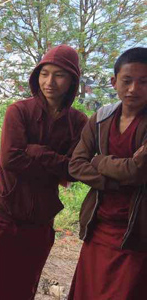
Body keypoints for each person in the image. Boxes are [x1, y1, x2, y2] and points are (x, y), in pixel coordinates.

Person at [0, 45, 88, 300]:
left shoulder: (78, 123)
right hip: (3, 212)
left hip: (39, 221)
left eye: (59, 75)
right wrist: (55, 164)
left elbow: (74, 170)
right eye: (44, 73)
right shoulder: (19, 111)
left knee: (21, 286)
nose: (50, 82)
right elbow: (11, 159)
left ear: (72, 79)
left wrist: (38, 152)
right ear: (36, 76)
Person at [67, 47, 147, 299]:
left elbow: (137, 172)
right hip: (99, 225)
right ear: (114, 82)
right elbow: (76, 164)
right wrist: (114, 181)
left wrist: (99, 161)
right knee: (87, 292)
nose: (134, 89)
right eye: (127, 80)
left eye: (144, 82)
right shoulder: (101, 119)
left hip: (137, 233)